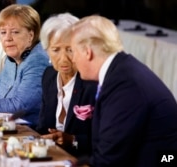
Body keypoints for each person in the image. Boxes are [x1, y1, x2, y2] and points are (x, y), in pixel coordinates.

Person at [70, 15, 177, 167]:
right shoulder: (121, 70)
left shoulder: (125, 84)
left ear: (88, 52)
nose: (72, 59)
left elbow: (110, 159)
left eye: (73, 51)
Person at [36, 13, 98, 157]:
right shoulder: (49, 76)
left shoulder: (91, 83)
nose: (63, 58)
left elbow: (101, 141)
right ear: (47, 51)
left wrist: (73, 140)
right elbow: (42, 127)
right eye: (56, 50)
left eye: (69, 49)